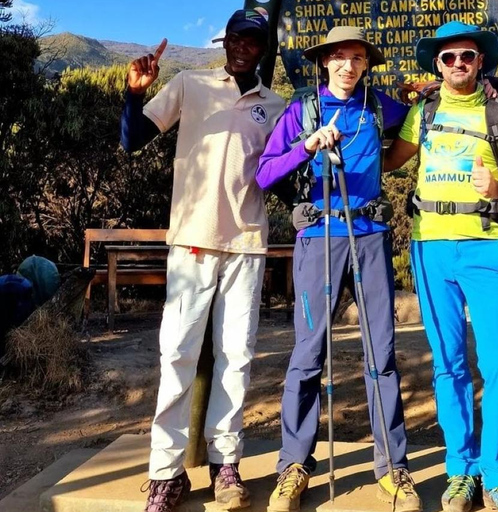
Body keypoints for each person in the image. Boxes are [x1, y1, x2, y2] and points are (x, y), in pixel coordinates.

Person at [120, 9, 285, 512]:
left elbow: (282, 171)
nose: (241, 48)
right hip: (192, 240)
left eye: (252, 42)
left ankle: (226, 464)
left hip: (246, 245)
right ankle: (166, 474)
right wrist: (133, 93)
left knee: (237, 357)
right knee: (177, 354)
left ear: (263, 49)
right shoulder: (191, 83)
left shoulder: (275, 105)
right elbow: (133, 140)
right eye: (235, 39)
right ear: (225, 41)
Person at [255, 26, 421, 512]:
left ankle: (393, 468)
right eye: (339, 58)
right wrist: (306, 146)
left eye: (357, 58)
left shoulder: (376, 105)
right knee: (308, 354)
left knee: (381, 355)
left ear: (366, 64)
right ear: (324, 62)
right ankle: (294, 466)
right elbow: (264, 173)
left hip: (369, 236)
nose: (348, 66)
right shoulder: (303, 109)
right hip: (318, 238)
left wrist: (424, 95)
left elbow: (418, 122)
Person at [384, 21, 498, 512]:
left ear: (480, 61)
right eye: (448, 58)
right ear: (437, 64)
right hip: (430, 248)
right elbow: (387, 162)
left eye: (467, 56)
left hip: (486, 248)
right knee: (447, 367)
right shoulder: (422, 114)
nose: (458, 65)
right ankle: (460, 472)